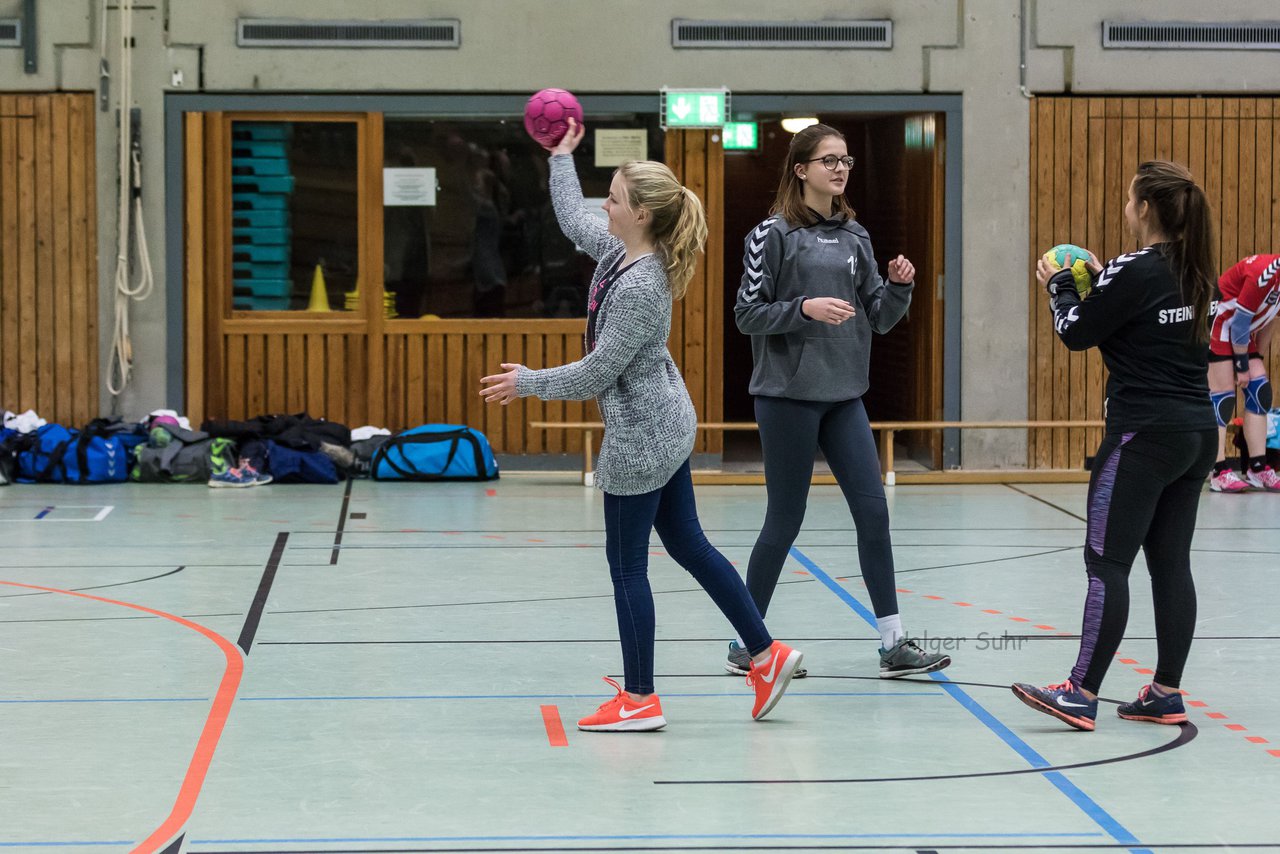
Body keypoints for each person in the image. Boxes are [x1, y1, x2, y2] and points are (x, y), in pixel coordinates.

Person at [480, 118, 803, 732]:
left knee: (629, 567)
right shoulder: (618, 250)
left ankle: (640, 699)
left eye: (617, 199)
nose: (606, 205)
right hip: (664, 425)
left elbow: (595, 374)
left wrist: (526, 382)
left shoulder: (642, 286)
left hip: (643, 440)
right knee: (688, 544)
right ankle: (767, 653)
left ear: (643, 215)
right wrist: (559, 157)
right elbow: (574, 217)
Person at [730, 123, 950, 679]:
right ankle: (747, 645)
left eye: (846, 160)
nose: (840, 168)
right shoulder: (771, 234)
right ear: (801, 169)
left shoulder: (857, 237)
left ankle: (894, 644)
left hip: (844, 396)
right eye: (829, 160)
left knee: (874, 513)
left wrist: (899, 287)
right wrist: (804, 308)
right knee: (786, 518)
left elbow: (878, 318)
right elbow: (746, 314)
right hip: (786, 398)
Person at [1013, 160, 1218, 731]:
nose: (1126, 208)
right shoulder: (1200, 270)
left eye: (1130, 200)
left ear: (1145, 208)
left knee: (1106, 564)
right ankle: (1166, 693)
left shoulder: (1133, 268)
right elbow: (1140, 317)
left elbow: (1076, 332)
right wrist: (1102, 283)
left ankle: (1080, 692)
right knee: (1171, 565)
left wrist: (1059, 288)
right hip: (1196, 434)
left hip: (1140, 436)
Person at [1206, 253, 1280, 493]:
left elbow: (1271, 320)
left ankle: (1258, 468)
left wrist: (1256, 356)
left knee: (1261, 392)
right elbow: (1238, 322)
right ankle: (1217, 471)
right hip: (1220, 324)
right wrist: (1242, 367)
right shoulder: (1265, 273)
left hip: (1240, 331)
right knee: (1223, 399)